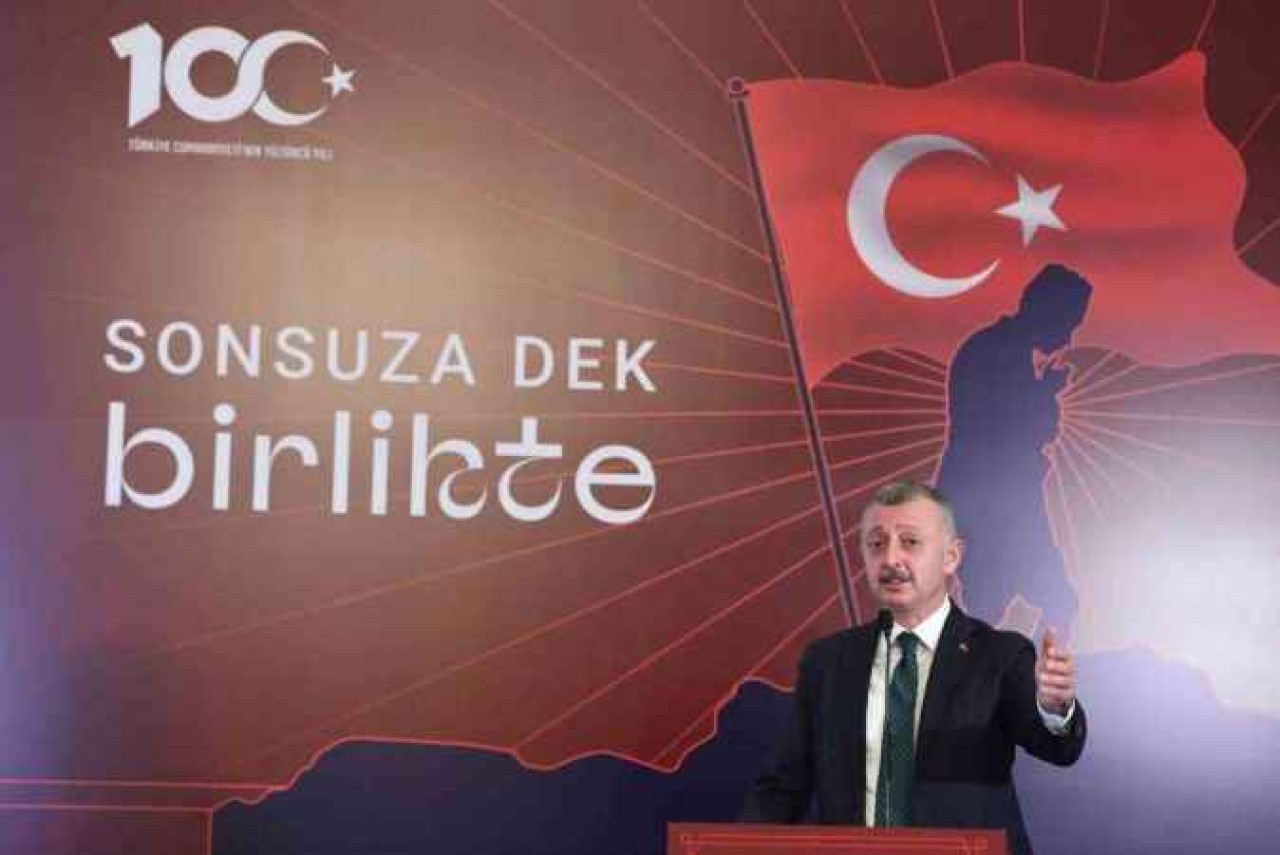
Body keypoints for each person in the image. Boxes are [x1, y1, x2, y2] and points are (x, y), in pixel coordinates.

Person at [741, 481, 1085, 855]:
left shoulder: (1000, 655)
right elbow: (783, 788)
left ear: (951, 556)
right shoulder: (826, 661)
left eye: (910, 542)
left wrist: (1054, 708)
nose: (891, 559)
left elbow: (1059, 749)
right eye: (876, 544)